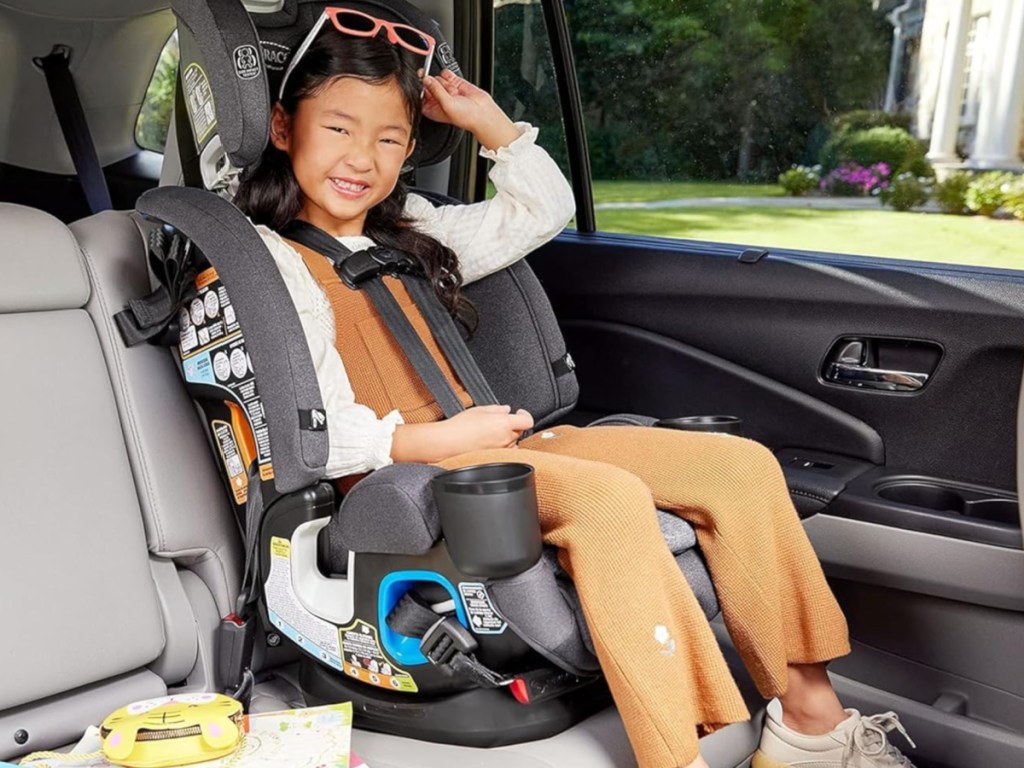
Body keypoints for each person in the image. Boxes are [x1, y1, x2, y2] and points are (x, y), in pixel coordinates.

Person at [234, 10, 916, 768]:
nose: (363, 157)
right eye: (338, 129)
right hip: (408, 472)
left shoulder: (412, 226)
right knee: (607, 499)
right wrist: (431, 440)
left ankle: (811, 728)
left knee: (740, 464)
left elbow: (544, 209)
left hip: (496, 444)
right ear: (283, 127)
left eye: (389, 137)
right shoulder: (267, 265)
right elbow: (312, 426)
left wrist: (488, 123)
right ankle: (676, 756)